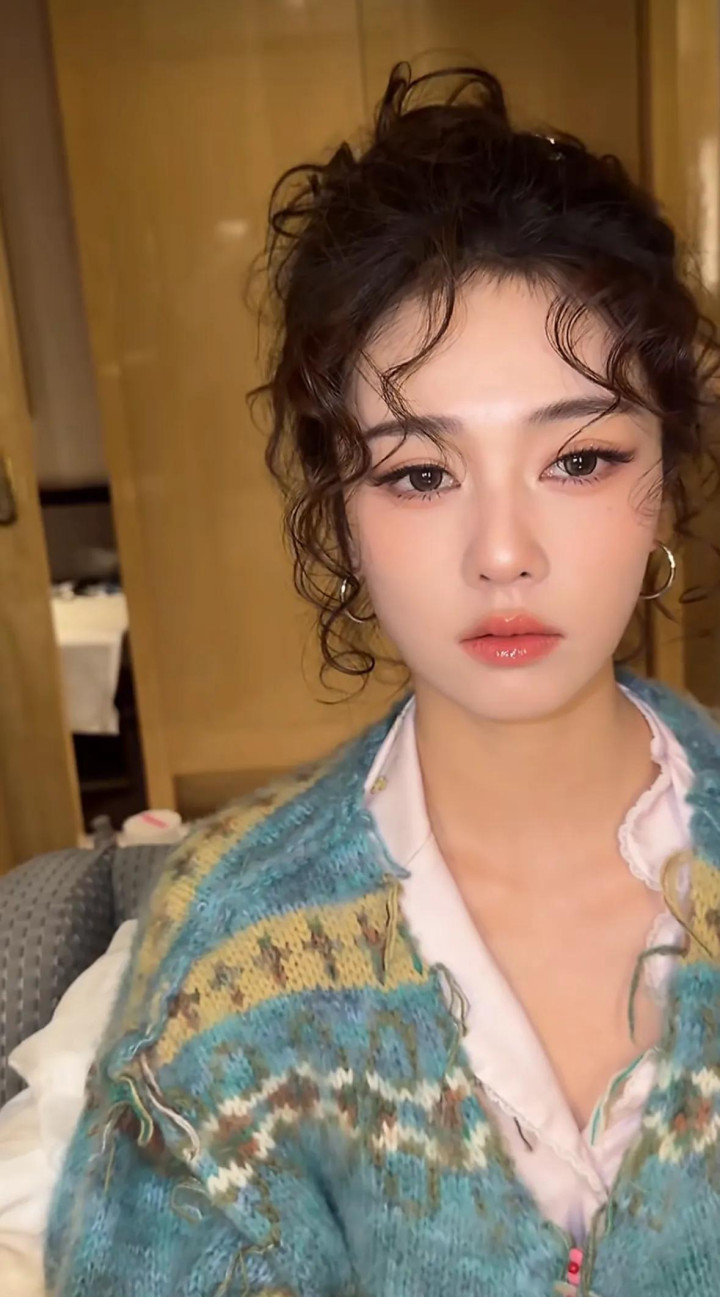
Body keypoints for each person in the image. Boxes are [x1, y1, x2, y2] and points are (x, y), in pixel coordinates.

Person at [45, 63, 720, 1297]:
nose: (503, 551)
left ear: (663, 482)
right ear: (342, 517)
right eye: (420, 473)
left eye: (579, 458)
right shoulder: (231, 957)